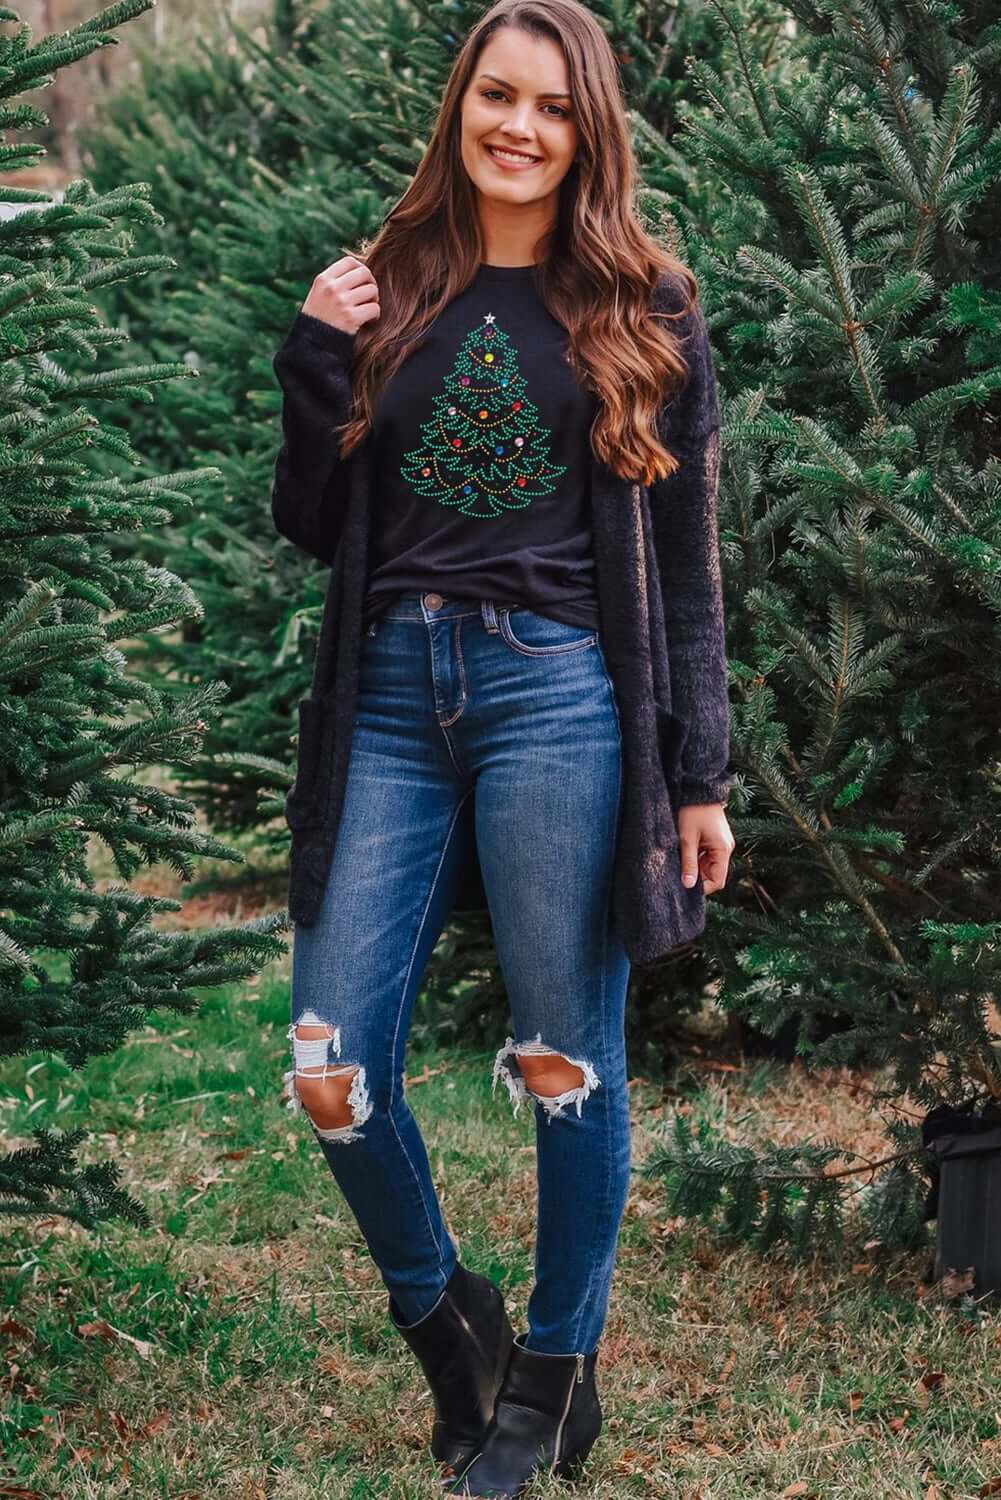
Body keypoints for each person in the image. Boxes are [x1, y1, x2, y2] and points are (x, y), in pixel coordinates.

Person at [269, 0, 735, 1493]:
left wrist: (695, 773)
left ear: (586, 130)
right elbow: (313, 525)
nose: (516, 128)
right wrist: (315, 359)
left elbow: (683, 563)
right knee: (330, 1062)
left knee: (560, 1059)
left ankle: (550, 1372)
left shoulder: (644, 303)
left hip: (559, 703)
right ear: (458, 106)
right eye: (494, 96)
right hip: (394, 696)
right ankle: (444, 1317)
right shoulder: (391, 282)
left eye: (547, 107)